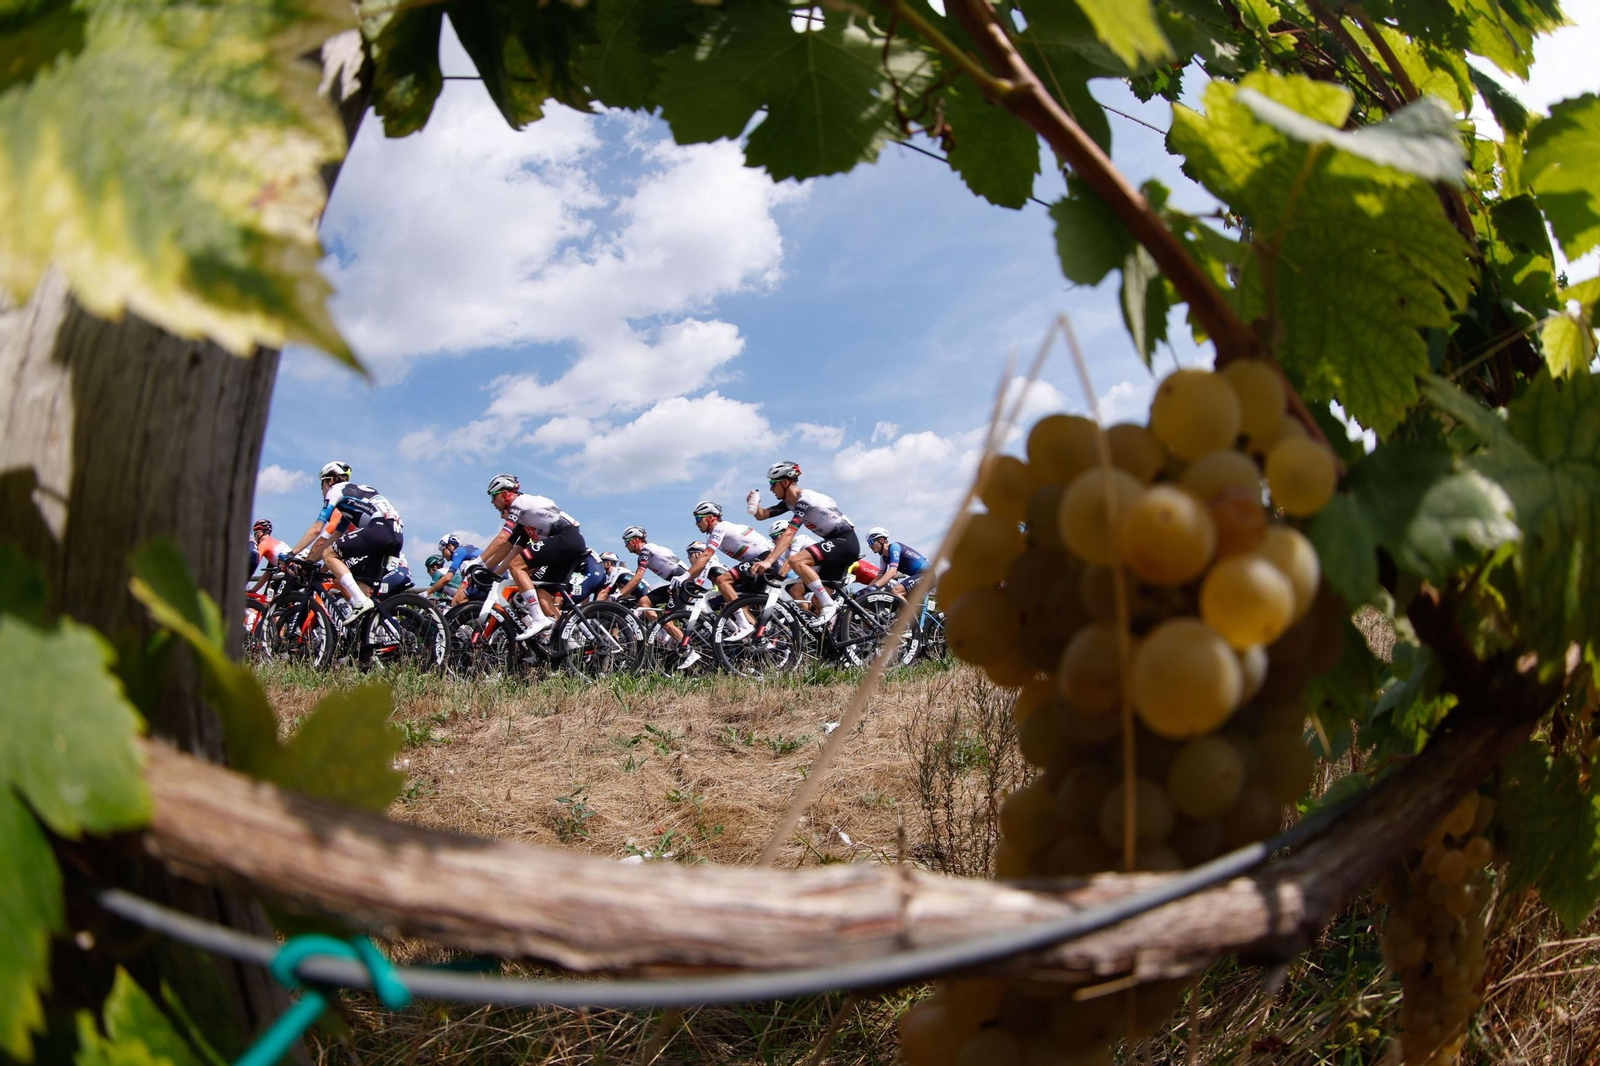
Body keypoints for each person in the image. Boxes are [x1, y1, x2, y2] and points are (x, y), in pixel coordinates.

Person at [476, 474, 591, 640]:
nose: (492, 502)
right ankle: (568, 641)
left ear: (504, 493)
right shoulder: (526, 519)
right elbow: (509, 547)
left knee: (517, 566)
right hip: (568, 543)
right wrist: (490, 572)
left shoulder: (518, 503)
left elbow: (503, 538)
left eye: (493, 496)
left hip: (567, 539)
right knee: (543, 595)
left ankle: (538, 619)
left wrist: (477, 561)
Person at [285, 461, 404, 621]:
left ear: (330, 480)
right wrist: (309, 562)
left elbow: (316, 529)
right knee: (363, 592)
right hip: (395, 533)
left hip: (380, 528)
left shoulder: (336, 490)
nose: (322, 490)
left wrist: (291, 554)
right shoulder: (353, 497)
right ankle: (376, 634)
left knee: (331, 556)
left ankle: (361, 602)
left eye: (322, 485)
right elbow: (335, 537)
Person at [748, 460, 860, 625]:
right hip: (836, 544)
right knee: (816, 601)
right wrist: (754, 504)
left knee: (796, 560)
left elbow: (790, 532)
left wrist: (769, 561)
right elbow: (761, 515)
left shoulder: (804, 499)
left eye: (773, 483)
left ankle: (830, 605)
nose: (771, 488)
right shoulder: (789, 503)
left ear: (785, 482)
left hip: (845, 541)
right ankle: (836, 643)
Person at [615, 527, 699, 668]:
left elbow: (638, 578)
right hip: (676, 585)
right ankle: (660, 630)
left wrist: (619, 594)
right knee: (644, 601)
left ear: (636, 540)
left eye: (627, 541)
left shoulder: (646, 550)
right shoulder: (648, 551)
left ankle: (689, 651)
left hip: (684, 586)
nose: (626, 545)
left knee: (667, 622)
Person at [686, 500, 774, 599]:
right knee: (738, 596)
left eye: (698, 518)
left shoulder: (720, 527)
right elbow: (702, 564)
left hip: (765, 557)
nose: (696, 523)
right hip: (755, 561)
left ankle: (739, 612)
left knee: (722, 580)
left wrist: (684, 577)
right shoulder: (711, 537)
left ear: (710, 517)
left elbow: (706, 556)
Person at [863, 526, 931, 601]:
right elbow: (879, 577)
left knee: (896, 592)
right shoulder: (883, 558)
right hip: (918, 576)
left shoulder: (895, 547)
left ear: (881, 540)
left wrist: (874, 587)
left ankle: (909, 613)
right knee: (897, 602)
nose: (869, 546)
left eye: (871, 542)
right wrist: (865, 590)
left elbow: (892, 572)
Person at [425, 534, 480, 603]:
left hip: (483, 577)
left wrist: (427, 593)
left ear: (449, 546)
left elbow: (448, 578)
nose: (443, 555)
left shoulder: (458, 552)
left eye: (443, 551)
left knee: (460, 600)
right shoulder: (465, 551)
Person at [247, 519, 291, 595]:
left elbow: (253, 562)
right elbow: (267, 574)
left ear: (259, 533)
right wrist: (253, 591)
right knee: (272, 590)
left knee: (273, 593)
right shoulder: (276, 543)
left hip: (292, 572)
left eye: (255, 534)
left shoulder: (264, 544)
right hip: (297, 570)